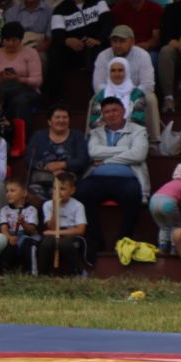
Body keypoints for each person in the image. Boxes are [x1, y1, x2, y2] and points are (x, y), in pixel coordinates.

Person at [76, 96, 149, 251]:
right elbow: (93, 152)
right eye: (107, 112)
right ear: (103, 115)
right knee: (81, 192)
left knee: (133, 195)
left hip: (127, 178)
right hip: (97, 178)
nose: (111, 114)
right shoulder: (96, 132)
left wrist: (107, 160)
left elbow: (138, 154)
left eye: (115, 110)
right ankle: (97, 241)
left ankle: (123, 241)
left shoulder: (138, 130)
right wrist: (125, 150)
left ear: (123, 111)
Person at [48, 0, 111, 95]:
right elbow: (57, 33)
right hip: (74, 49)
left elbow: (108, 23)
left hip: (95, 44)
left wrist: (98, 39)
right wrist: (67, 40)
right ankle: (57, 97)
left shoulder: (98, 1)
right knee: (54, 53)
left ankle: (100, 94)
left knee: (97, 50)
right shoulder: (60, 9)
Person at [0, 23, 42, 125]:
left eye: (14, 40)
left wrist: (18, 78)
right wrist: (0, 80)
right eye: (7, 40)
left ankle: (21, 136)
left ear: (21, 40)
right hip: (1, 88)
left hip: (26, 90)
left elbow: (37, 81)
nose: (10, 43)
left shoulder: (31, 53)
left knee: (19, 101)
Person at [25, 106, 89, 202]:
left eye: (65, 117)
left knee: (62, 193)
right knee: (32, 196)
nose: (61, 120)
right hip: (41, 179)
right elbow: (29, 159)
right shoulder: (38, 136)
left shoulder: (77, 136)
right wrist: (47, 167)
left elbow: (83, 160)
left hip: (67, 181)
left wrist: (63, 165)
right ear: (49, 121)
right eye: (57, 117)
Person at [37, 170, 89, 274]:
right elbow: (51, 228)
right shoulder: (47, 205)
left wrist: (56, 233)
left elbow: (80, 230)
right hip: (54, 231)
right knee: (46, 243)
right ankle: (42, 273)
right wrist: (56, 207)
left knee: (64, 243)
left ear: (72, 190)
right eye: (55, 189)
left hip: (71, 232)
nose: (58, 192)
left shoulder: (78, 206)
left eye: (62, 189)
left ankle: (78, 271)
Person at [88, 56, 152, 134]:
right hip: (104, 134)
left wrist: (117, 128)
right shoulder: (101, 95)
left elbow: (138, 120)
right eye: (113, 71)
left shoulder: (137, 94)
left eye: (120, 70)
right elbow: (93, 122)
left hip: (130, 133)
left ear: (127, 72)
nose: (117, 74)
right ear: (109, 73)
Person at [149, 161, 181, 256]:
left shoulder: (169, 183)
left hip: (153, 201)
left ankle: (162, 247)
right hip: (168, 204)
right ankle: (175, 249)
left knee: (164, 227)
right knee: (176, 227)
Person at [0, 177, 40, 274]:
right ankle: (4, 270)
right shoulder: (4, 210)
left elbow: (31, 230)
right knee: (4, 243)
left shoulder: (32, 210)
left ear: (24, 193)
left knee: (28, 244)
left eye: (12, 191)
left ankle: (31, 271)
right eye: (7, 191)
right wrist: (9, 237)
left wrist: (23, 223)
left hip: (26, 237)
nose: (8, 194)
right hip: (11, 236)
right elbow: (4, 229)